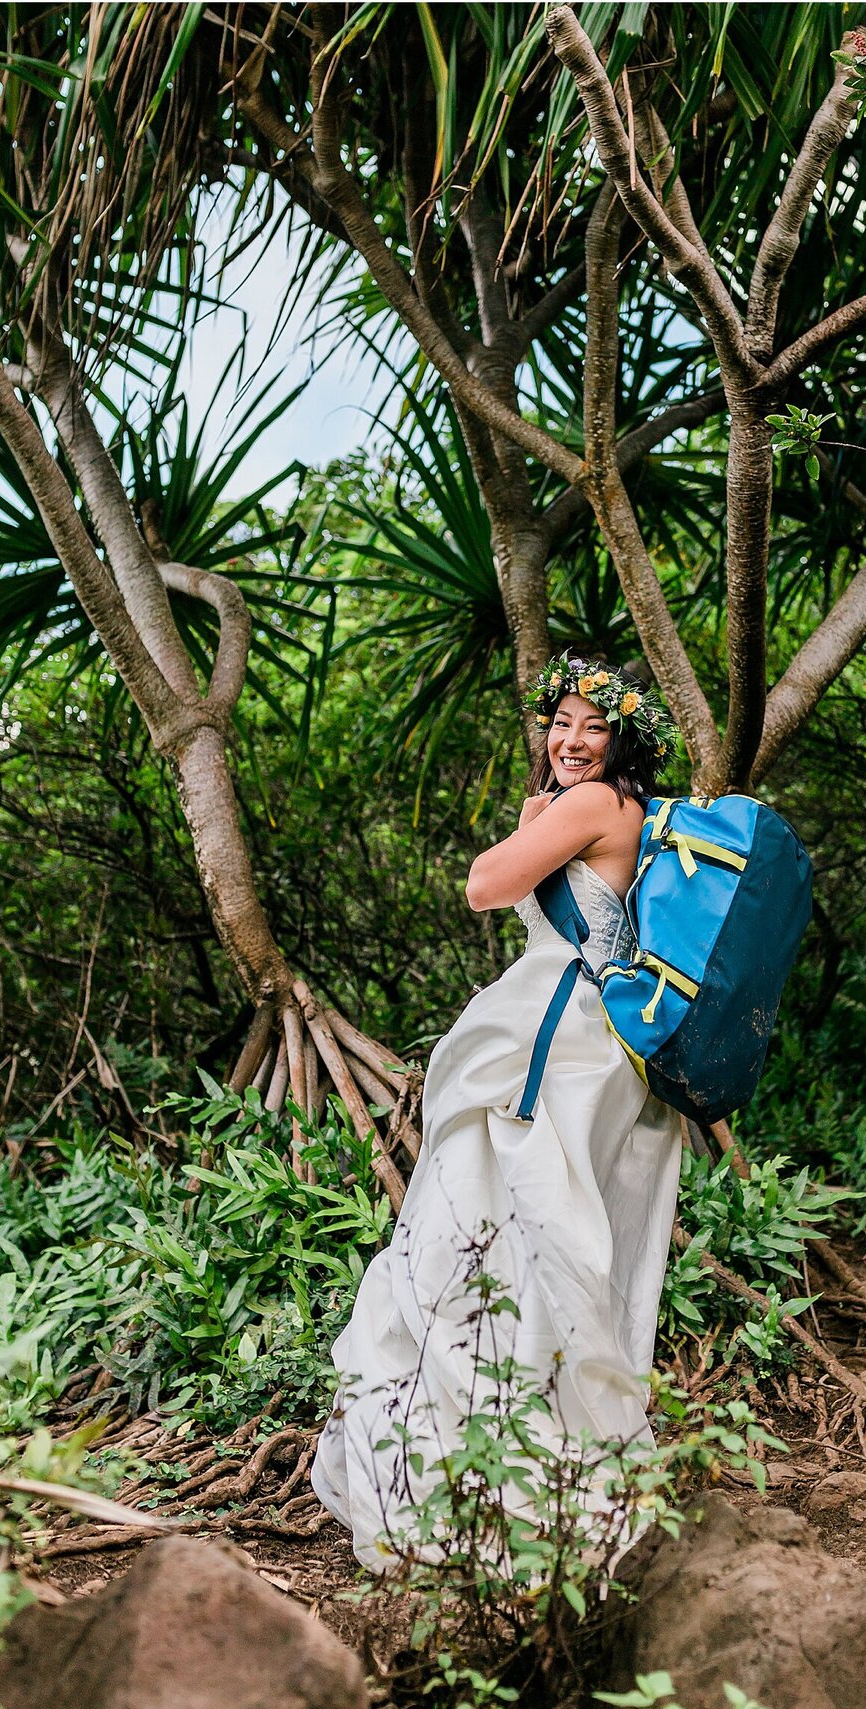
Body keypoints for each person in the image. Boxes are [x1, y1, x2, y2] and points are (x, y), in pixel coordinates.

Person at [310, 652, 685, 1569]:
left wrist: (530, 826)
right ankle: (534, 1449)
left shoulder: (597, 805)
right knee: (535, 1237)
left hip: (554, 1047)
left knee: (485, 1226)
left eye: (593, 726)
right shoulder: (620, 813)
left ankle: (491, 1468)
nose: (571, 740)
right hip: (589, 1049)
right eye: (560, 723)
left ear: (624, 738)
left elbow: (486, 883)